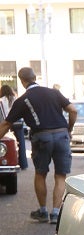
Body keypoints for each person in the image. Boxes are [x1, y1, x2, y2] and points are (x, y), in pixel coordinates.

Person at [0, 67, 77, 223]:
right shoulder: (54, 93)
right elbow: (73, 110)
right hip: (62, 135)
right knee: (61, 175)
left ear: (22, 81)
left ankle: (43, 211)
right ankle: (56, 213)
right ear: (35, 77)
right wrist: (68, 129)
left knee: (41, 173)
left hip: (42, 137)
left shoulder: (22, 100)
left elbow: (6, 124)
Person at [0, 84, 29, 169]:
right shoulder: (15, 99)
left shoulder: (1, 100)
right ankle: (23, 164)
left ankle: (11, 161)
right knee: (21, 143)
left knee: (9, 143)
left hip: (7, 122)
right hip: (18, 122)